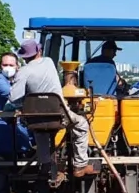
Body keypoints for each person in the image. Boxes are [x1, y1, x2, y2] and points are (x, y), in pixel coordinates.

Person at [7, 38, 94, 176]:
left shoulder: (22, 72)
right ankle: (80, 165)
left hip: (35, 118)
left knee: (39, 129)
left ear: (23, 56)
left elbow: (13, 99)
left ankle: (45, 165)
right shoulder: (48, 62)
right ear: (39, 51)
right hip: (59, 116)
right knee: (82, 124)